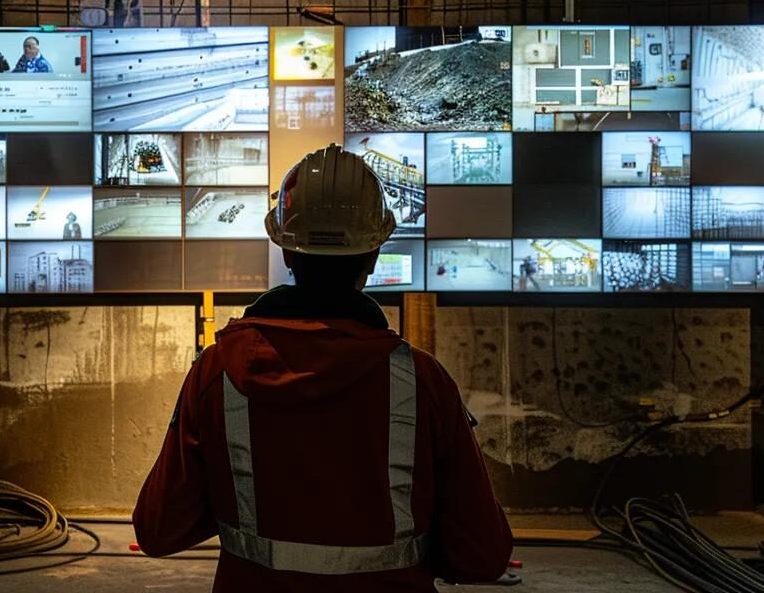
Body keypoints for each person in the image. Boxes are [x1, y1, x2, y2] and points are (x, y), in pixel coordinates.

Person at [133, 144, 512, 592]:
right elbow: (483, 555)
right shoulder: (422, 382)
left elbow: (158, 529)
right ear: (372, 257)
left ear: (287, 253)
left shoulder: (218, 373)